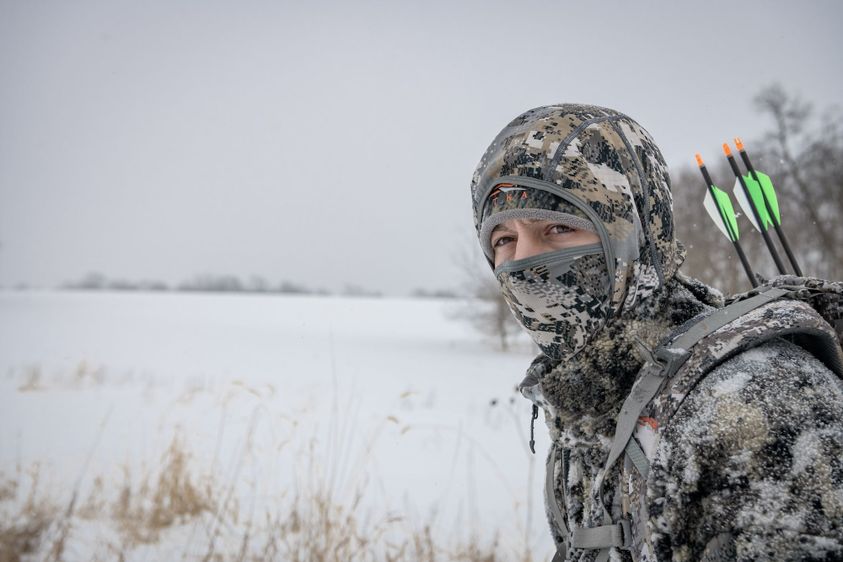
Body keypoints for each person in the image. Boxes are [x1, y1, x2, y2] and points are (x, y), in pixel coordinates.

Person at [469, 104, 843, 561]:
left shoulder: (757, 403)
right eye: (503, 240)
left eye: (559, 227)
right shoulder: (588, 410)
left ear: (638, 236)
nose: (524, 262)